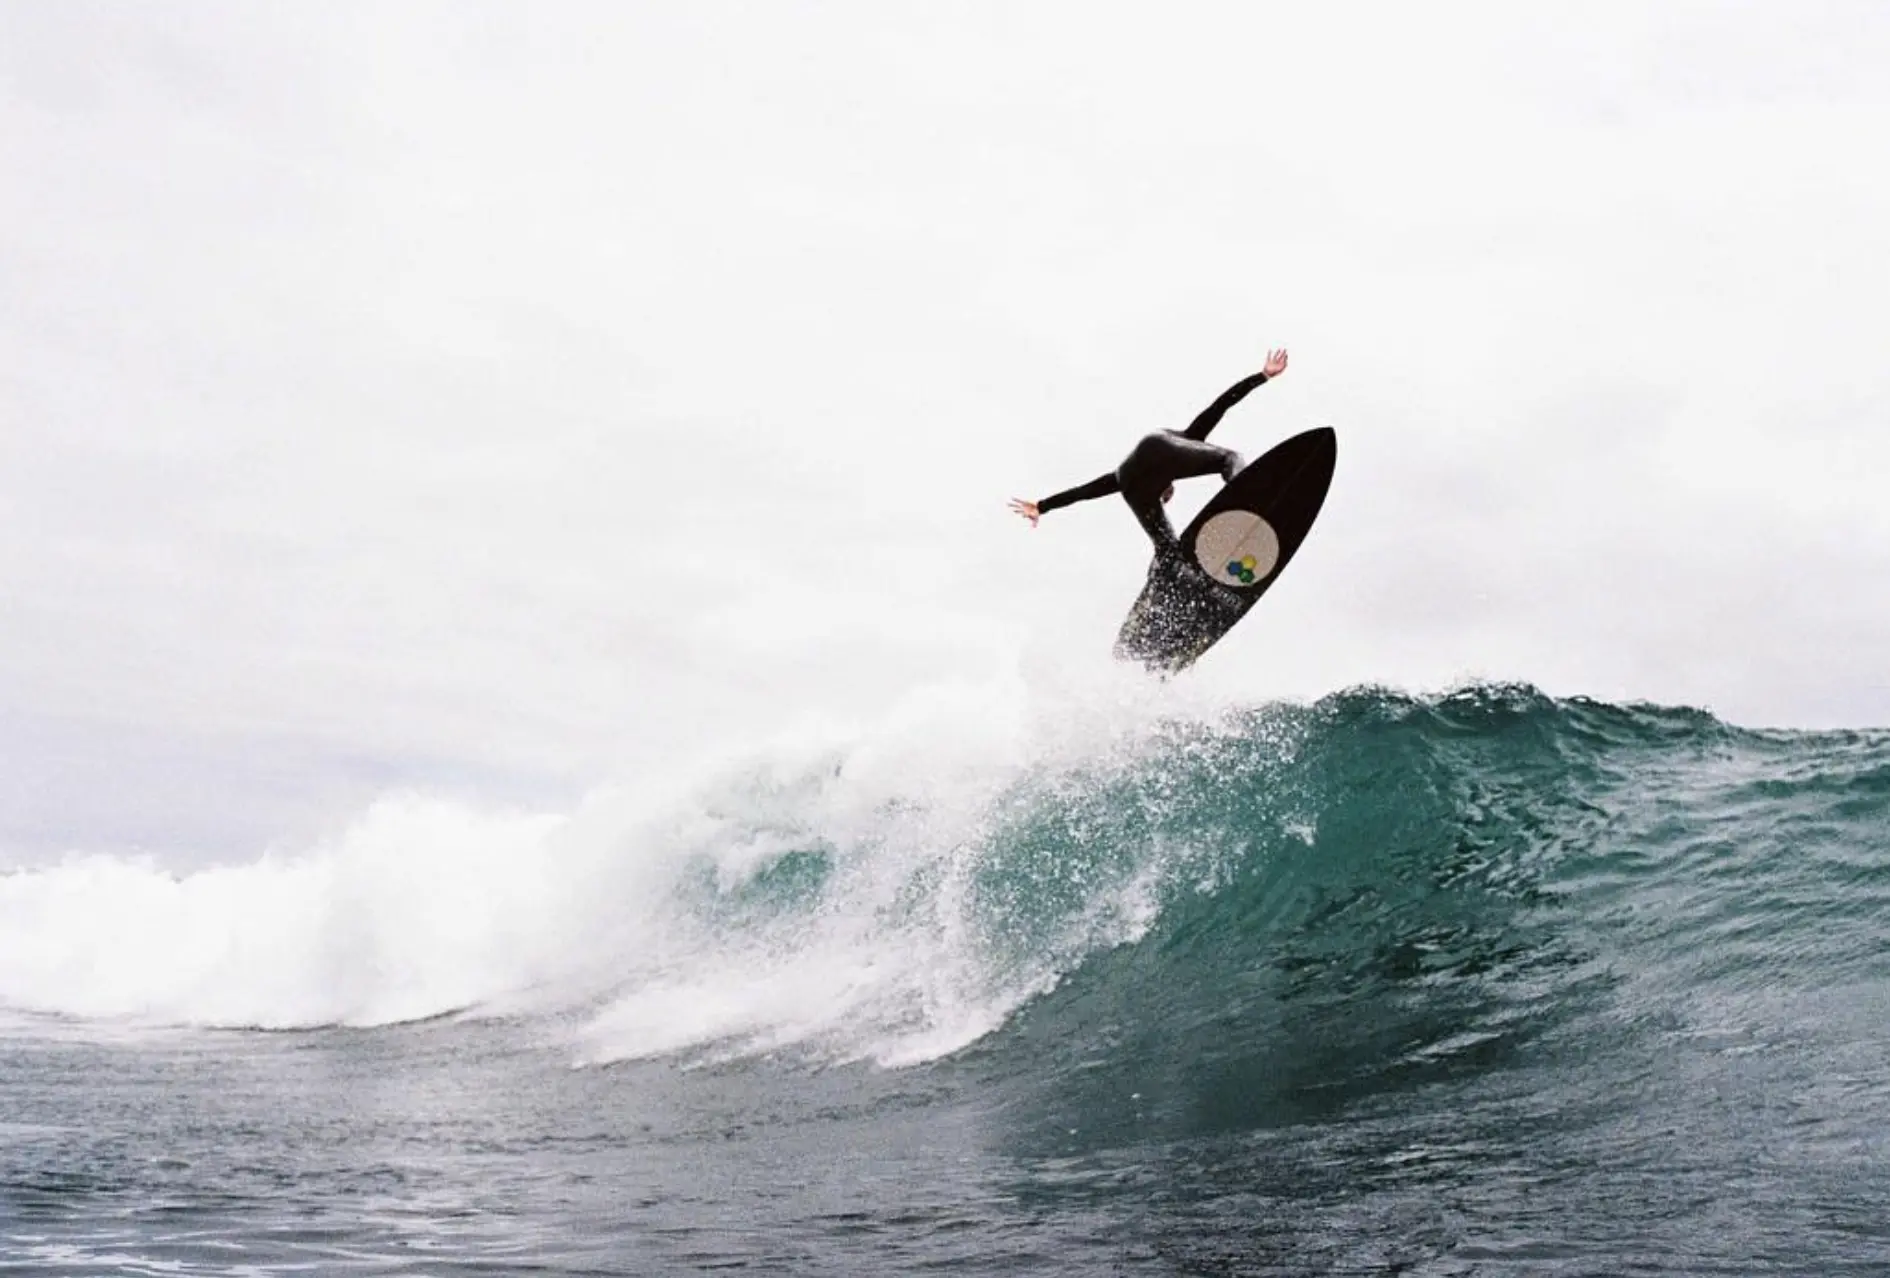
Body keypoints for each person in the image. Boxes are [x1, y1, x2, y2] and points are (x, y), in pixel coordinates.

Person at [1009, 349, 1289, 558]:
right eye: (1168, 494)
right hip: (1160, 443)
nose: (1167, 497)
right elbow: (1219, 406)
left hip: (1137, 476)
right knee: (1230, 458)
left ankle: (1166, 577)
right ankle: (1247, 497)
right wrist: (1262, 376)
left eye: (1166, 496)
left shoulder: (1122, 481)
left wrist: (1043, 506)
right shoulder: (1188, 440)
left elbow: (1082, 492)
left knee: (1167, 547)